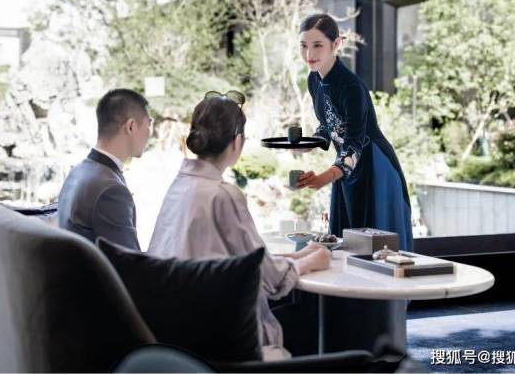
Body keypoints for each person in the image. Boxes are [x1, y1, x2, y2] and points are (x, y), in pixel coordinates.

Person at [148, 92, 331, 351]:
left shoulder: (179, 186)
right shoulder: (222, 195)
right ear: (237, 142)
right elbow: (270, 279)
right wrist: (312, 261)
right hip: (220, 336)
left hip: (174, 330)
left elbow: (244, 261)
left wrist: (299, 256)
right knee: (315, 317)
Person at [296, 13, 413, 251]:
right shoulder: (314, 79)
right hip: (345, 167)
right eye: (304, 46)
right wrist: (308, 144)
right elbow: (327, 125)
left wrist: (324, 178)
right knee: (346, 243)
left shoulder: (351, 86)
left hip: (373, 164)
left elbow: (354, 142)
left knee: (373, 249)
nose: (309, 54)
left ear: (336, 44)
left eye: (317, 45)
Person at [58, 88, 153, 250]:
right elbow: (129, 261)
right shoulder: (111, 190)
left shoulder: (78, 171)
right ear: (130, 126)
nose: (150, 133)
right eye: (149, 124)